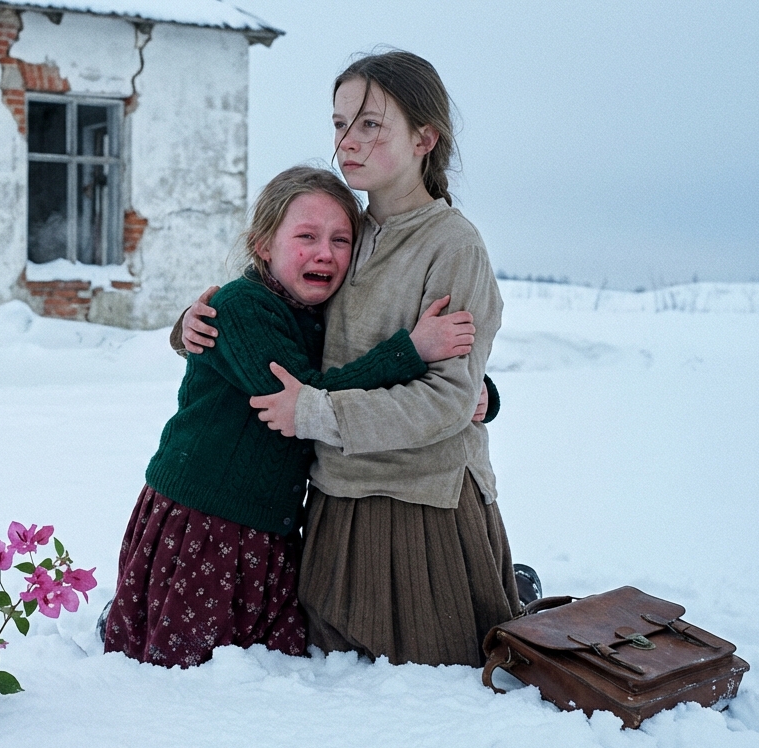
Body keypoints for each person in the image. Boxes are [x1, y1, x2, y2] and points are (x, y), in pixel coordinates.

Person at [180, 51, 525, 667]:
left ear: (425, 138)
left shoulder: (454, 246)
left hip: (421, 503)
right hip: (335, 501)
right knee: (323, 662)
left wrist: (318, 412)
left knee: (424, 675)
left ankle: (501, 591)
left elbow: (446, 396)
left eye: (370, 124)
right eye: (340, 124)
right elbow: (287, 322)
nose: (349, 141)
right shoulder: (347, 231)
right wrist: (190, 328)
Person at [104, 165, 482, 668]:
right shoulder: (242, 307)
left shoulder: (319, 313)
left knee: (267, 660)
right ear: (263, 245)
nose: (325, 252)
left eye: (341, 240)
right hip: (204, 520)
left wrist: (477, 391)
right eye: (306, 236)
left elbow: (353, 359)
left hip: (267, 529)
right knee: (192, 669)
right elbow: (307, 395)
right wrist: (409, 351)